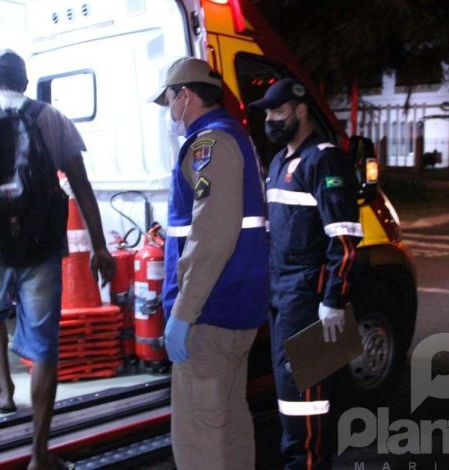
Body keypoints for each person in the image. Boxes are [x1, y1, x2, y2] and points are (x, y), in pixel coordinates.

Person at [0, 49, 114, 470]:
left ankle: (5, 391)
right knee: (44, 345)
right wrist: (100, 246)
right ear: (25, 83)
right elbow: (80, 183)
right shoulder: (53, 117)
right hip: (43, 243)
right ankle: (39, 455)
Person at [149, 57, 269, 469]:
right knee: (228, 426)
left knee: (201, 440)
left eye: (169, 101)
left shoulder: (209, 143)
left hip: (209, 314)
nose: (170, 112)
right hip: (232, 307)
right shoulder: (231, 136)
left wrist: (183, 312)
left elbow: (213, 234)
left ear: (184, 95)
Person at [250, 78, 362, 469]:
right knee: (291, 404)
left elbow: (345, 238)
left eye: (276, 112)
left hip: (311, 302)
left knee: (308, 406)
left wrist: (334, 300)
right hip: (283, 298)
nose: (269, 120)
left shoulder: (325, 160)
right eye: (266, 113)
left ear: (299, 110)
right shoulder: (281, 160)